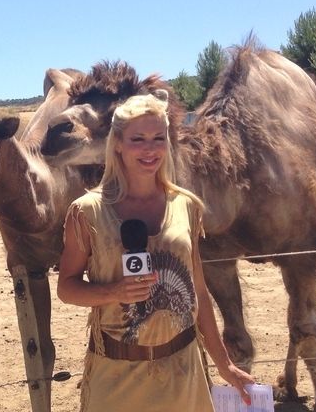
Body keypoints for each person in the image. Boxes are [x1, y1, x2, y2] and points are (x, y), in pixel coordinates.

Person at [57, 90, 255, 411]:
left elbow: (199, 292)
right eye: (138, 139)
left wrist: (223, 364)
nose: (150, 149)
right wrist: (113, 292)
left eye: (158, 138)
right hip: (117, 376)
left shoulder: (186, 205)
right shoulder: (87, 211)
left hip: (184, 371)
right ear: (118, 144)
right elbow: (66, 287)